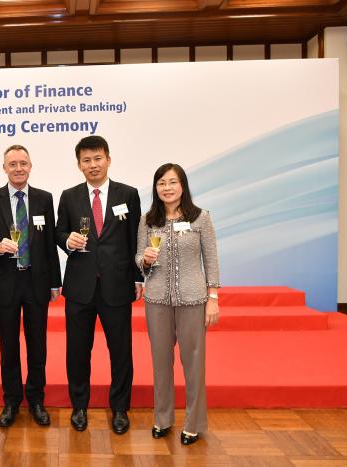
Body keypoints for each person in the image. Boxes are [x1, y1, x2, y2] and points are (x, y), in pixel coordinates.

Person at [55, 135, 143, 434]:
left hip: (117, 285)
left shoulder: (128, 194)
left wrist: (137, 276)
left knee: (120, 351)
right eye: (86, 160)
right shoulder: (69, 196)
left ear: (108, 159)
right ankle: (79, 406)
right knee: (77, 350)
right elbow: (58, 232)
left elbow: (135, 238)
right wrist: (66, 240)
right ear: (79, 165)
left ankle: (120, 408)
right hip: (80, 286)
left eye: (97, 158)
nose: (92, 165)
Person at [0, 144, 62, 428]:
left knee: (38, 346)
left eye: (23, 163)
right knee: (9, 345)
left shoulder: (44, 199)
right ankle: (11, 400)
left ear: (30, 166)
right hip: (6, 283)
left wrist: (55, 281)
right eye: (12, 164)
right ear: (4, 168)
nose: (18, 168)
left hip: (36, 282)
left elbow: (50, 243)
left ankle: (36, 399)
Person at [136, 163, 220, 446]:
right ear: (155, 188)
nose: (167, 188)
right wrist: (145, 260)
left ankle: (194, 423)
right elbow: (139, 260)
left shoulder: (200, 218)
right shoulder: (148, 220)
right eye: (161, 182)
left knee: (194, 363)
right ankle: (163, 419)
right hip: (156, 299)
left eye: (172, 182)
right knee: (161, 363)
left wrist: (213, 299)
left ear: (183, 186)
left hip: (193, 300)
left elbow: (211, 261)